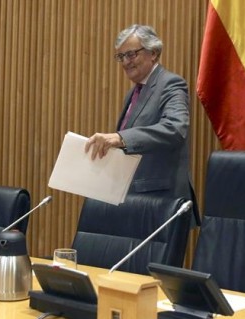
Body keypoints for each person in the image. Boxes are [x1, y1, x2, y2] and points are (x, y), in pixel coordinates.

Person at [84, 24, 199, 224]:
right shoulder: (133, 93)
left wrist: (120, 138)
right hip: (132, 198)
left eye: (131, 54)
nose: (125, 62)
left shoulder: (171, 84)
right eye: (121, 57)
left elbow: (175, 128)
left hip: (160, 199)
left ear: (153, 53)